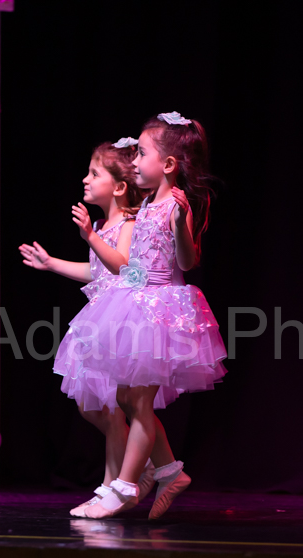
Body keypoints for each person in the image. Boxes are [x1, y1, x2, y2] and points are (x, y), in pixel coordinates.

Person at [52, 112, 227, 520]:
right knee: (128, 398)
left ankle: (124, 487)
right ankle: (168, 472)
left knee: (140, 401)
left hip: (162, 310)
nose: (134, 161)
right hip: (137, 302)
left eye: (142, 154)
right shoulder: (145, 205)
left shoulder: (174, 207)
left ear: (167, 164)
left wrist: (180, 224)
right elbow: (132, 267)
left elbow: (187, 261)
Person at [20, 140, 155, 516]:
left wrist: (91, 238)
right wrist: (51, 263)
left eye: (94, 173)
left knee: (112, 411)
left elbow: (122, 266)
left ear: (119, 187)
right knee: (89, 407)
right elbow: (95, 271)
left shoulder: (128, 223)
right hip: (98, 321)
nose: (85, 179)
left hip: (120, 323)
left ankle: (114, 486)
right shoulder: (101, 225)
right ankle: (135, 466)